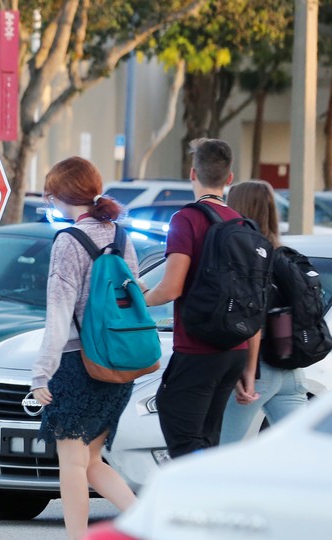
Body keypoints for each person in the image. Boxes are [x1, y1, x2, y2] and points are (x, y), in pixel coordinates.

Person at [31, 157, 139, 540]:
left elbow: (59, 316)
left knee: (73, 461)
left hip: (78, 363)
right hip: (118, 361)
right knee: (91, 460)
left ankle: (79, 537)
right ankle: (151, 524)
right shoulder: (122, 237)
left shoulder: (68, 241)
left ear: (60, 196)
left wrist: (40, 373)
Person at [144, 138, 256, 458]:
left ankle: (194, 503)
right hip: (234, 348)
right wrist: (248, 365)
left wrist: (140, 300)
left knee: (184, 437)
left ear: (192, 174)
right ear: (230, 178)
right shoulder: (242, 223)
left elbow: (171, 288)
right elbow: (253, 298)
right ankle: (207, 502)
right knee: (208, 437)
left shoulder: (187, 219)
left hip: (197, 347)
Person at [220, 180, 305, 443]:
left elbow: (250, 319)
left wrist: (246, 370)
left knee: (220, 451)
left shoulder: (247, 259)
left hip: (258, 369)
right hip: (290, 369)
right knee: (302, 454)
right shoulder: (284, 255)